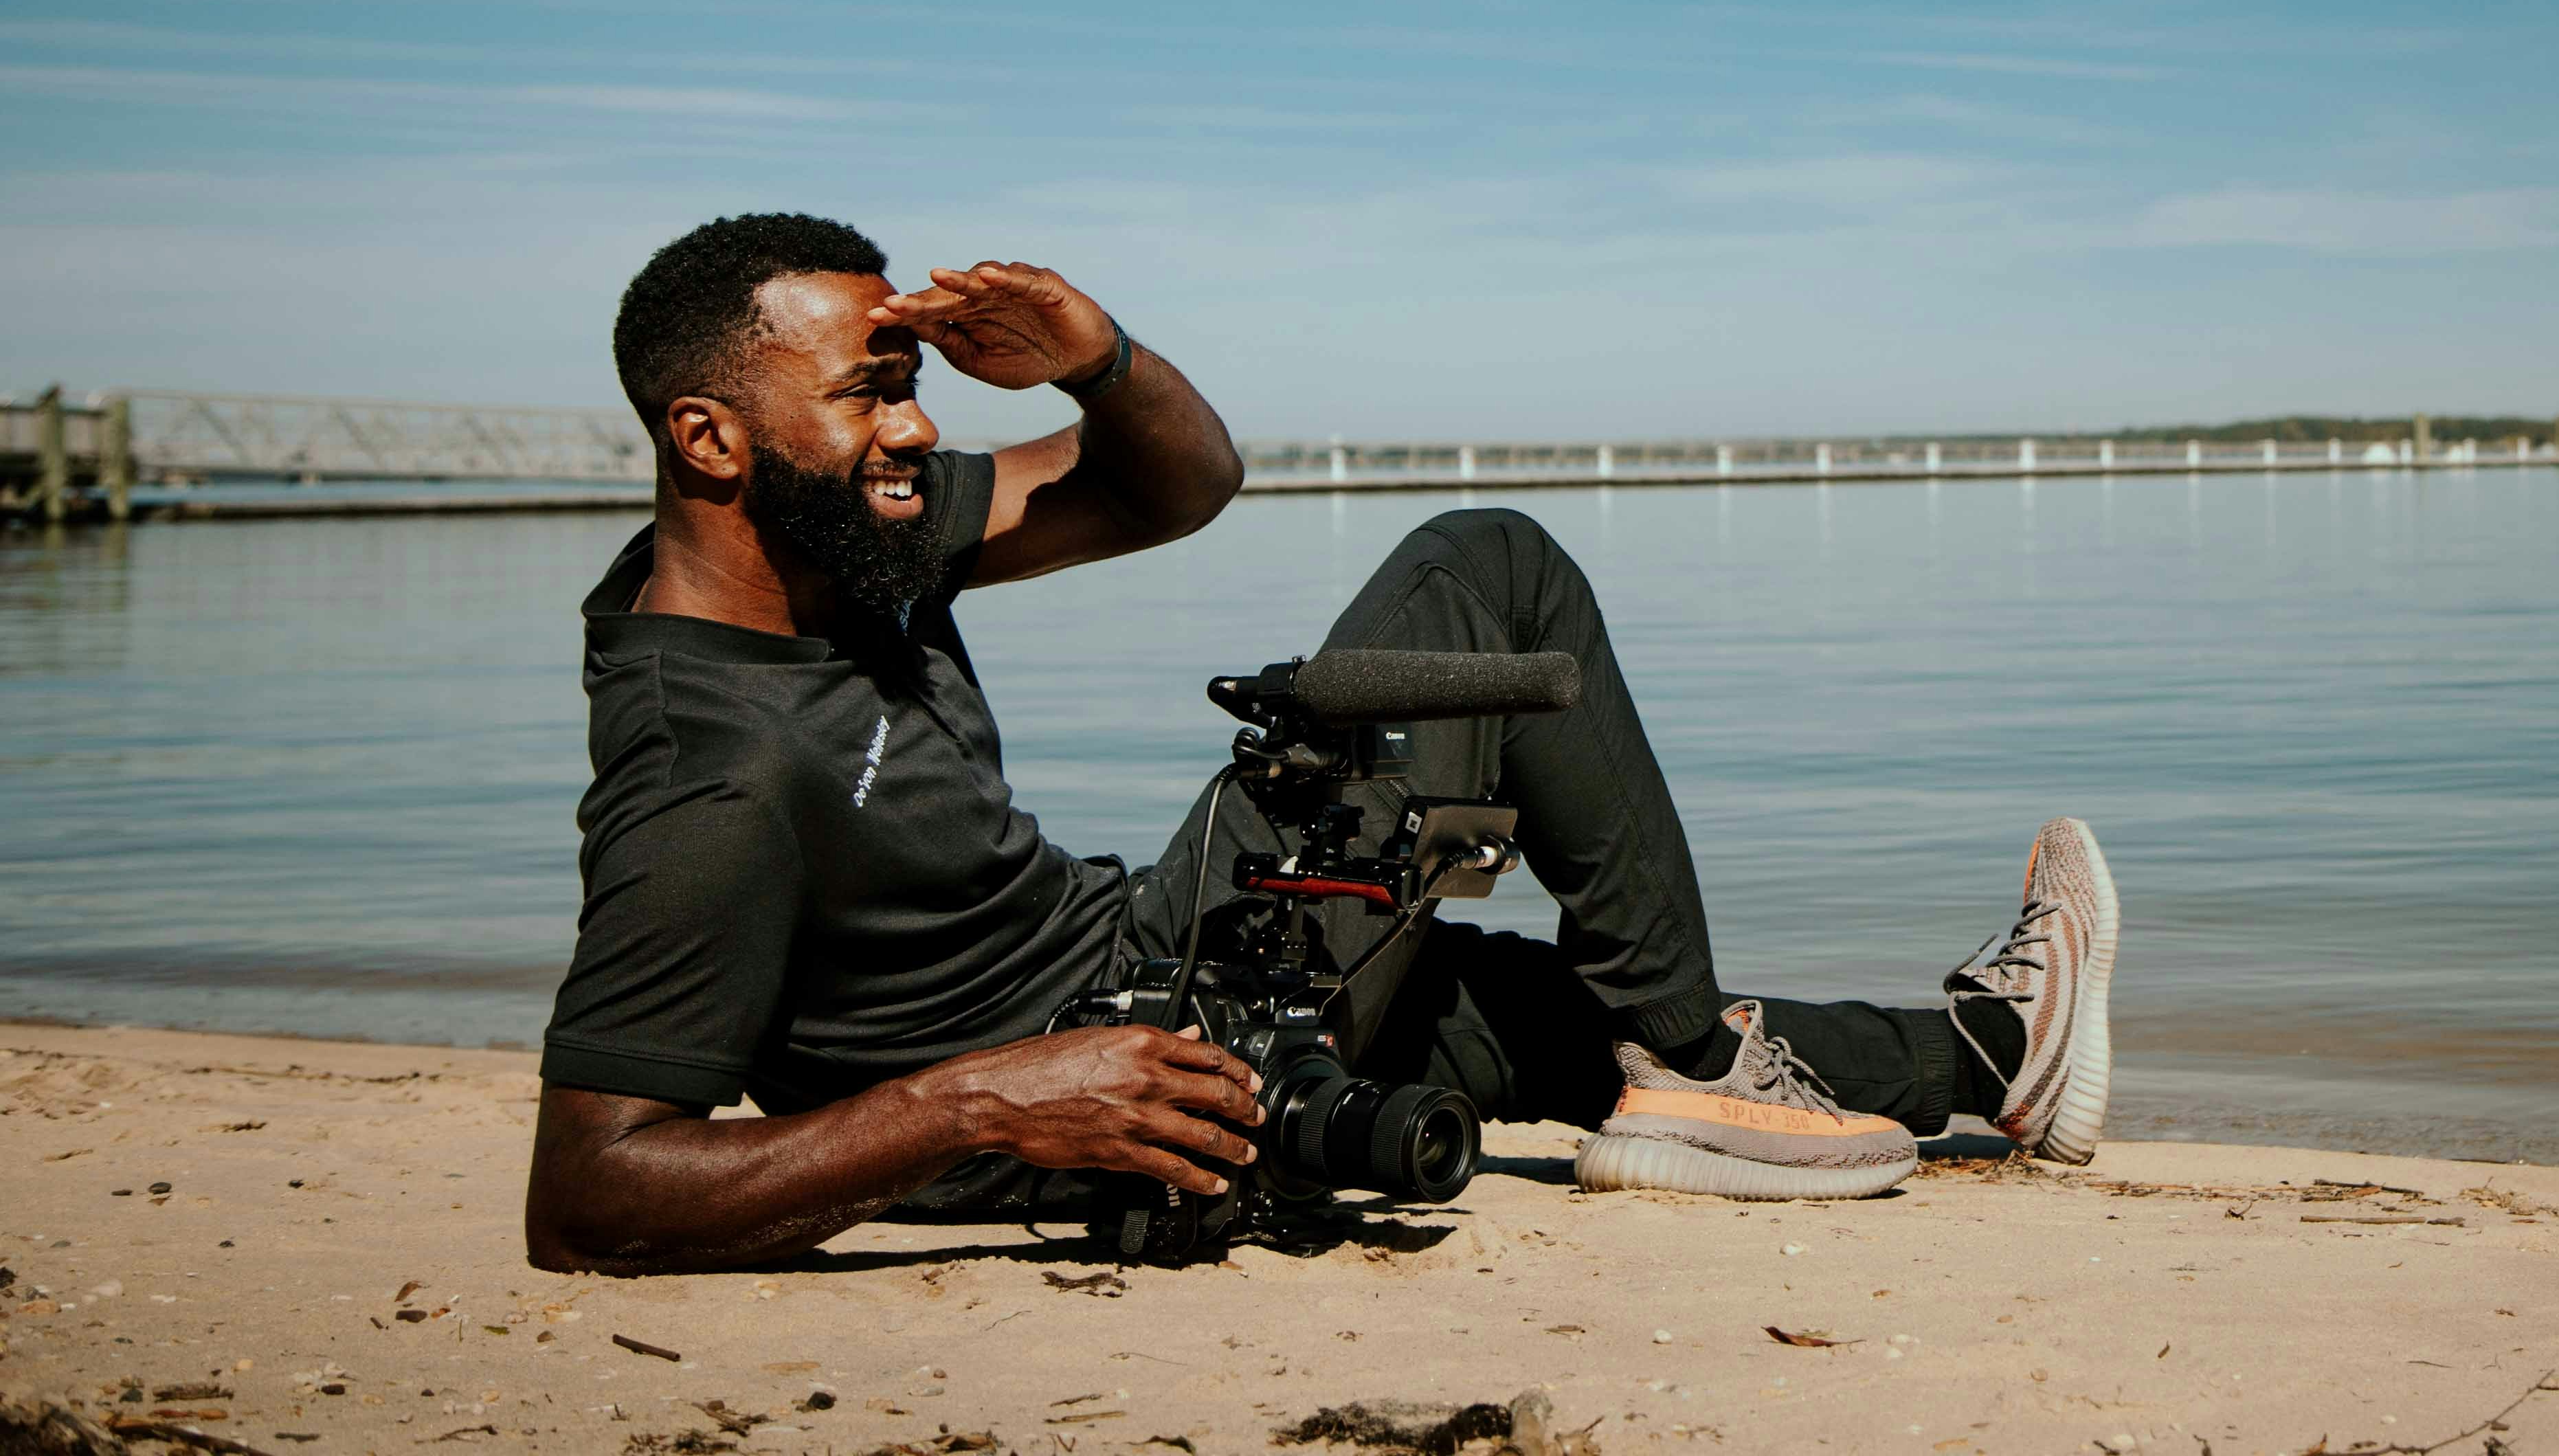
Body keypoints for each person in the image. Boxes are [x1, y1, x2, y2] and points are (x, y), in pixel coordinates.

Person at [524, 212, 2116, 1275]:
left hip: (1146, 974)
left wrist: (1098, 359)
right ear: (710, 437)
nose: (920, 429)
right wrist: (991, 1107)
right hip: (1081, 1081)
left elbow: (1175, 487)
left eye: (915, 387)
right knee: (1490, 571)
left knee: (1554, 1023)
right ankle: (1694, 1068)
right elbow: (590, 1192)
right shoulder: (707, 769)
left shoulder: (845, 542)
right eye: (870, 394)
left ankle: (1995, 1055)